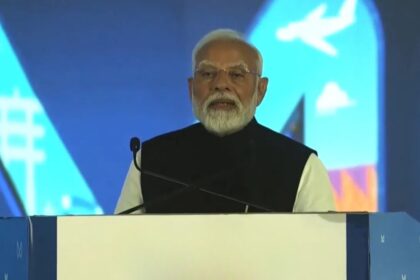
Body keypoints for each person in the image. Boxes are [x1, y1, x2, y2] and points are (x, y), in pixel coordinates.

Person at [115, 29, 336, 214]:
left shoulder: (300, 165)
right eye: (208, 74)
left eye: (237, 75)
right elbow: (120, 244)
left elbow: (323, 251)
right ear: (192, 88)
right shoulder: (150, 160)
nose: (221, 84)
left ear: (260, 90)